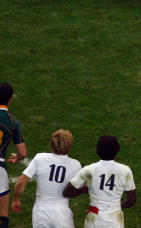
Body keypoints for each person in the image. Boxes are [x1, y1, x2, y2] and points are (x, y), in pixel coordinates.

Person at [11, 129, 82, 228]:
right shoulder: (75, 165)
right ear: (69, 146)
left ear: (52, 144)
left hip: (40, 211)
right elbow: (81, 187)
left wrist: (16, 199)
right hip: (62, 213)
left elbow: (21, 182)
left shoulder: (40, 158)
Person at [63, 136, 136, 228]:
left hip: (94, 218)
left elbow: (67, 192)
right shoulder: (125, 170)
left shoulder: (89, 170)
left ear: (98, 151)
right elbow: (131, 200)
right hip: (115, 220)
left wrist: (83, 190)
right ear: (117, 150)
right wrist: (116, 207)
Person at [0, 83, 28, 228]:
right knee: (3, 214)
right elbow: (23, 153)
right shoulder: (12, 121)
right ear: (10, 99)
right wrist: (17, 158)